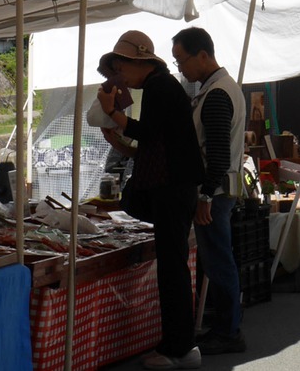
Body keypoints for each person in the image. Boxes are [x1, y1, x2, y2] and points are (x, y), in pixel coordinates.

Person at [95, 30, 205, 369]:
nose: (118, 76)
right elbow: (155, 141)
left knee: (172, 269)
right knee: (173, 267)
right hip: (176, 186)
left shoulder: (160, 87)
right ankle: (179, 345)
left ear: (137, 62)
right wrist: (120, 138)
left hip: (173, 188)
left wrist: (113, 113)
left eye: (119, 68)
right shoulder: (163, 86)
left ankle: (178, 348)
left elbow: (147, 133)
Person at [170, 27, 247, 357]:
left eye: (182, 61)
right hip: (217, 190)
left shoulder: (217, 94)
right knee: (218, 260)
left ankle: (228, 331)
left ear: (203, 55)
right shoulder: (219, 89)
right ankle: (225, 327)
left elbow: (216, 154)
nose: (181, 69)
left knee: (219, 261)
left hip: (215, 193)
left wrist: (204, 196)